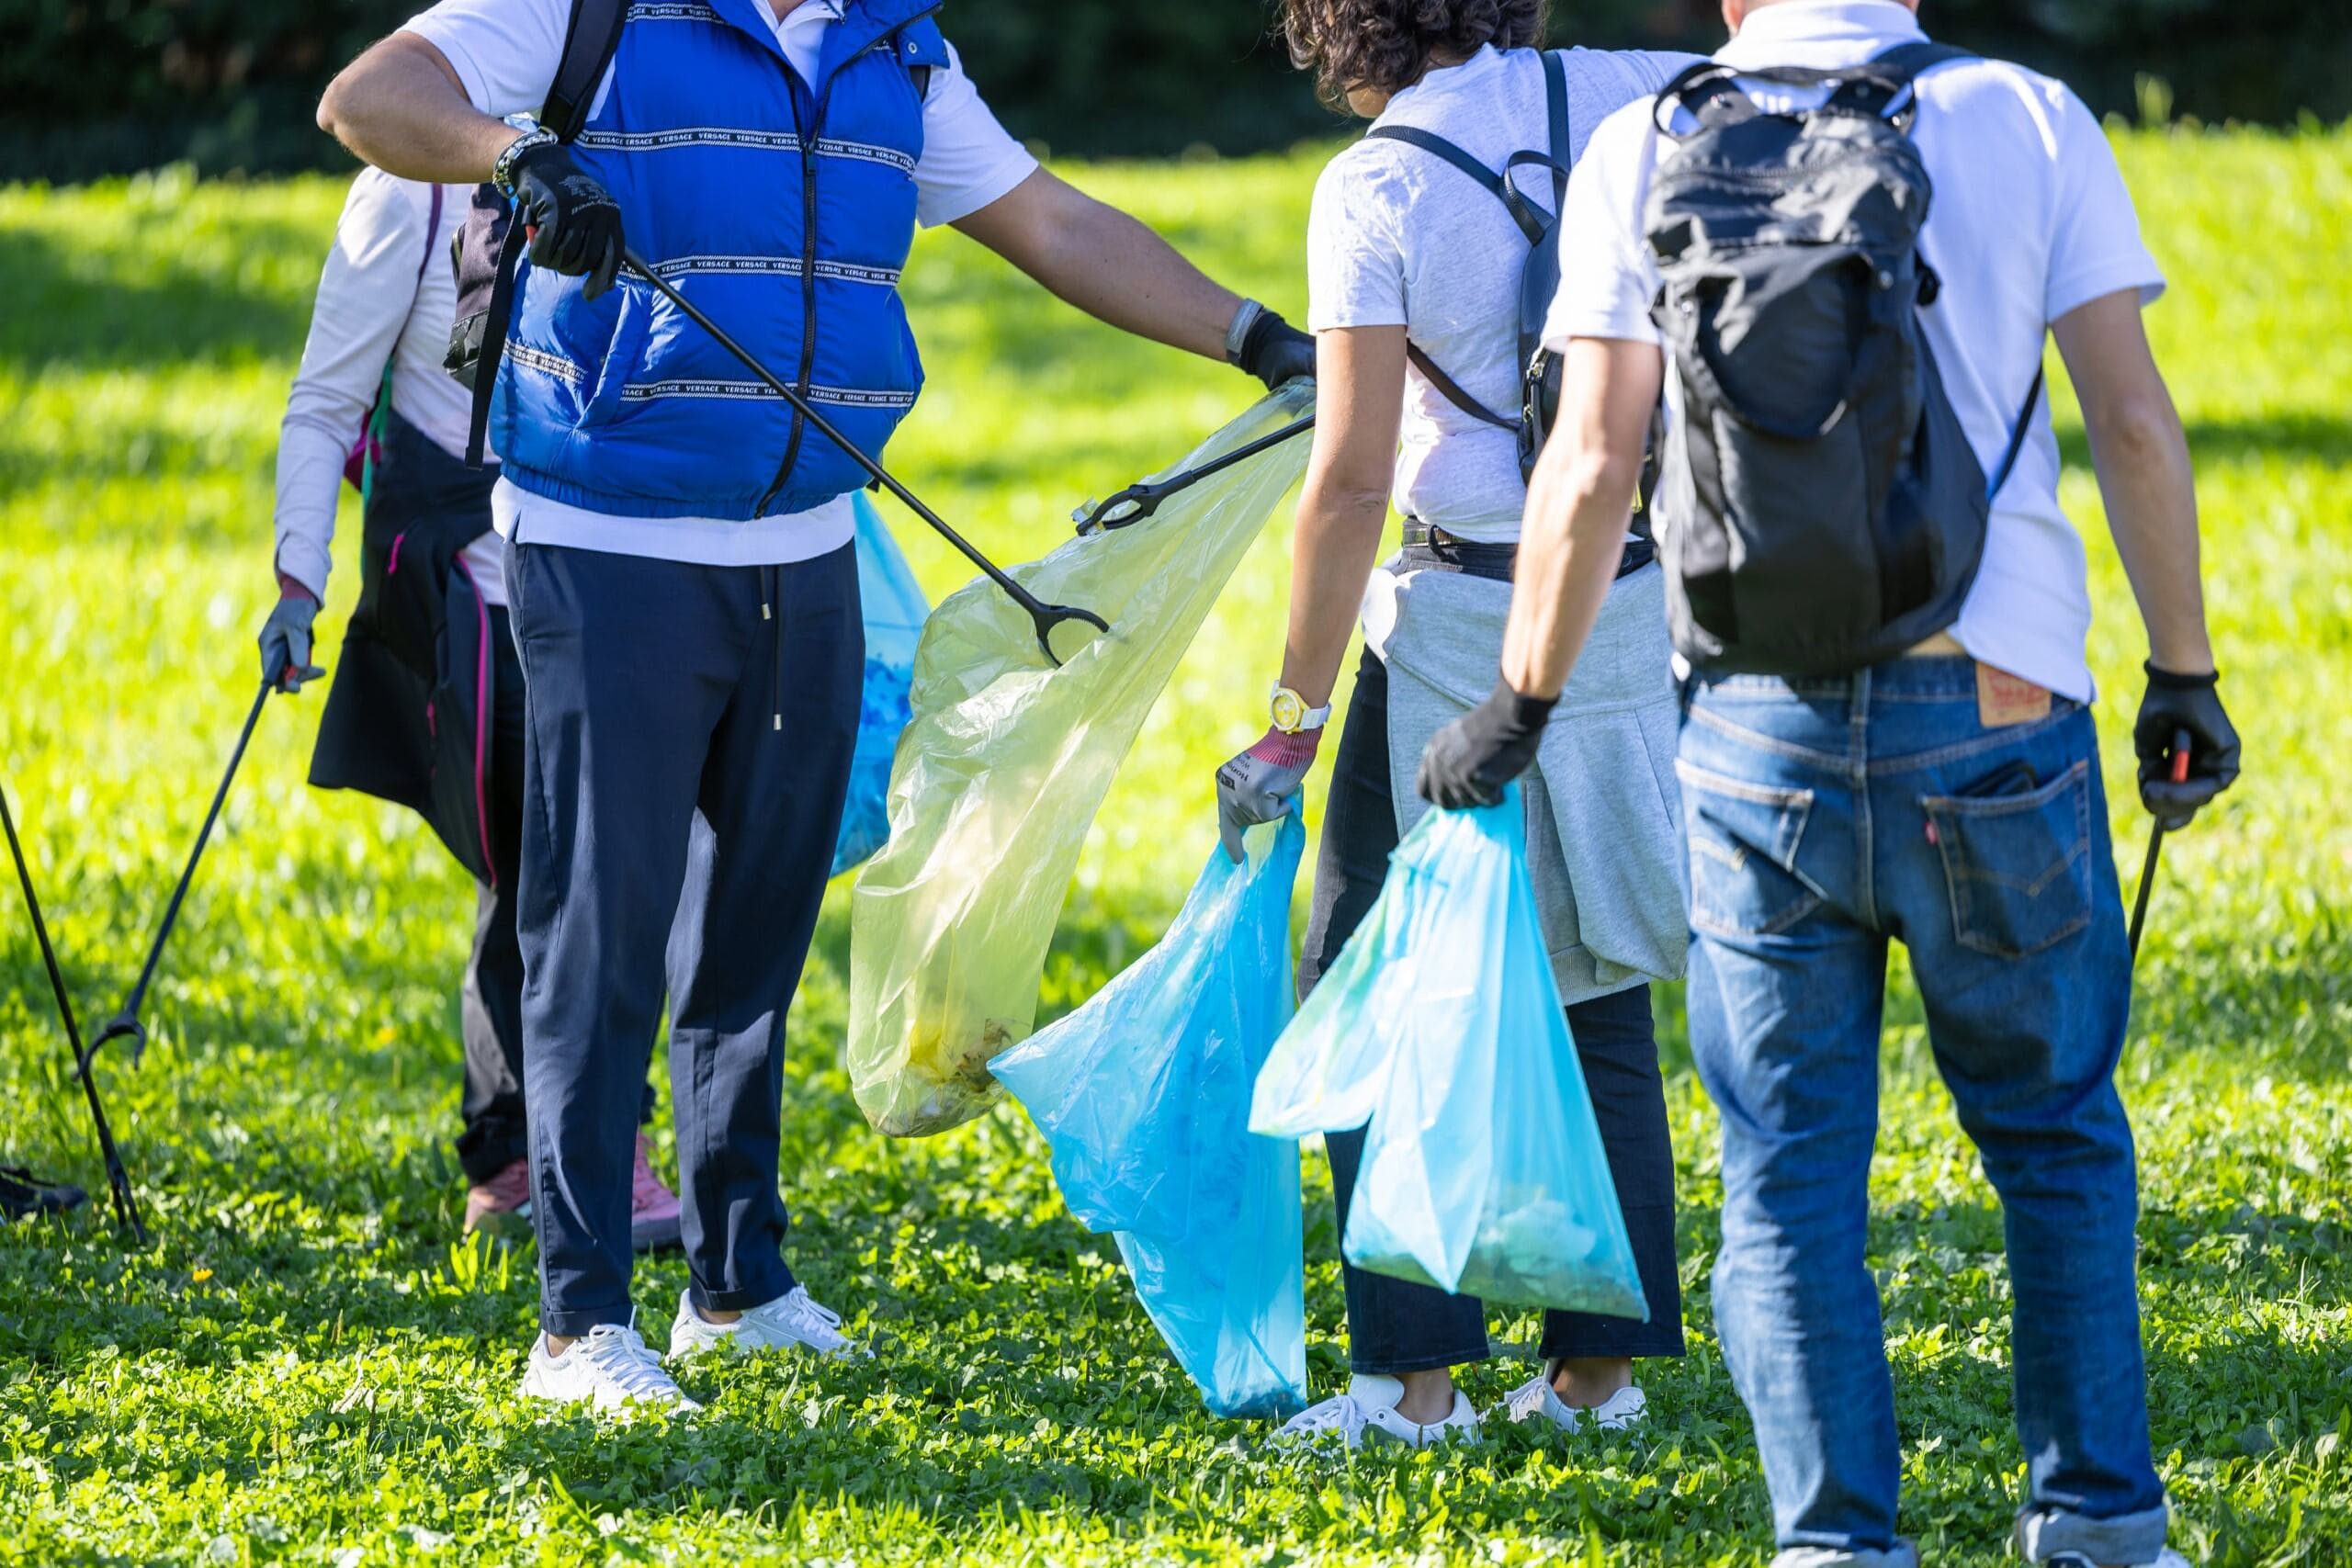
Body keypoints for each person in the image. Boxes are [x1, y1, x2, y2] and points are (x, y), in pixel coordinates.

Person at [315, 0, 1316, 1415]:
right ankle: (578, 1321)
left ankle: (734, 1281)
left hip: (808, 549)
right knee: (599, 936)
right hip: (611, 546)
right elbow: (368, 95)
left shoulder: (891, 46)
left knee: (761, 930)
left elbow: (1048, 221)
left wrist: (1255, 333)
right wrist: (515, 155)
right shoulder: (587, 12)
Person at [1420, 1, 2240, 1563]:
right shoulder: (2024, 114)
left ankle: (1837, 1543)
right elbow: (2133, 421)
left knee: (1787, 1172)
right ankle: (2100, 1523)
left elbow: (1591, 462)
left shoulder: (1642, 145)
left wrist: (1518, 701)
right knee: (2056, 1137)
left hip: (1753, 721)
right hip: (1996, 706)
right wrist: (2183, 675)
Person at [1214, 0, 1697, 1450]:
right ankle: (1595, 1376)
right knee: (1597, 968)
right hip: (1629, 601)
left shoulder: (1375, 183)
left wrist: (1294, 716)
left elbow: (1352, 479)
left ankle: (1409, 1383)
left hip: (1457, 622)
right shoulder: (1638, 89)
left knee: (1366, 977)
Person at [260, 168, 683, 1252]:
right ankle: (556, 1152)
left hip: (612, 561)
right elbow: (325, 402)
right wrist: (295, 585)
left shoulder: (619, 139)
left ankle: (522, 1149)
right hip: (465, 590)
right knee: (552, 865)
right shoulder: (406, 193)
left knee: (581, 861)